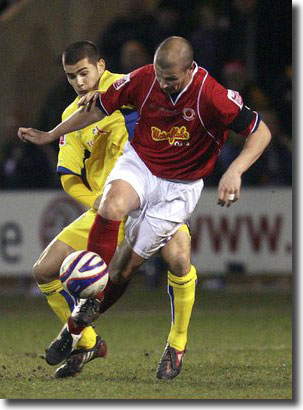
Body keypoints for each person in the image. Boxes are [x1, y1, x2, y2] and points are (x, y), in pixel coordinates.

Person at [18, 36, 272, 380]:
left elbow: (260, 131)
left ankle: (153, 338)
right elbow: (94, 115)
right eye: (158, 75)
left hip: (178, 185)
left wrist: (235, 171)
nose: (162, 84)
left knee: (134, 269)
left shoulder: (210, 95)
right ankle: (88, 307)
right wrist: (50, 134)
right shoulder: (142, 78)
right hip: (140, 164)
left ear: (189, 70)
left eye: (170, 79)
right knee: (111, 204)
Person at [25, 40, 195, 380]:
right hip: (107, 209)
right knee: (43, 270)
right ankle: (87, 341)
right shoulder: (70, 117)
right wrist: (101, 207)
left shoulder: (133, 86)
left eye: (83, 73)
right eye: (71, 77)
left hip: (152, 197)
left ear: (101, 66)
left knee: (178, 257)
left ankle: (176, 344)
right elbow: (70, 178)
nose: (78, 82)